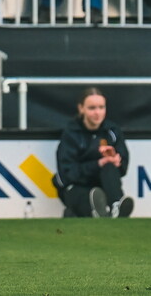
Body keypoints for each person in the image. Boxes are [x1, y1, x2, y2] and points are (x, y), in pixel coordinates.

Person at [52, 88, 134, 218]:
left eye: (101, 107)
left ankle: (116, 205)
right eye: (92, 108)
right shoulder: (71, 133)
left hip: (104, 186)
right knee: (88, 200)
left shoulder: (112, 131)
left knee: (109, 167)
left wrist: (116, 161)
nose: (97, 113)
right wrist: (98, 163)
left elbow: (123, 167)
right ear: (81, 109)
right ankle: (95, 211)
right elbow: (69, 173)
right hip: (76, 187)